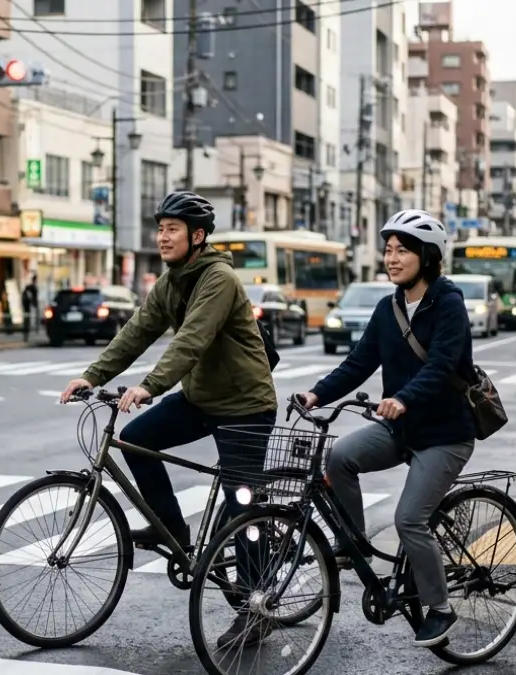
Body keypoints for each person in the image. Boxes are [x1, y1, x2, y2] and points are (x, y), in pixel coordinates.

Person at [59, 191, 278, 648]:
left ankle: (256, 610)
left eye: (172, 229)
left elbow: (192, 340)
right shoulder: (171, 281)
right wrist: (90, 375)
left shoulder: (217, 278)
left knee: (243, 508)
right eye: (160, 228)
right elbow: (137, 331)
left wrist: (149, 386)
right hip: (201, 399)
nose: (162, 236)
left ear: (198, 237)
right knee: (138, 438)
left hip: (245, 405)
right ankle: (173, 529)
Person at [294, 209, 475, 648]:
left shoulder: (448, 304)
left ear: (427, 257)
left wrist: (403, 398)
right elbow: (359, 362)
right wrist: (317, 394)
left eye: (402, 251)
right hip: (401, 428)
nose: (391, 259)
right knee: (338, 456)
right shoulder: (388, 305)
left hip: (445, 434)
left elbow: (440, 366)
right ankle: (351, 541)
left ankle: (440, 609)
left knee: (409, 518)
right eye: (388, 250)